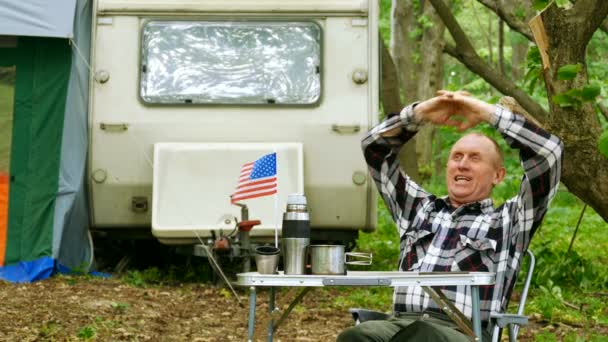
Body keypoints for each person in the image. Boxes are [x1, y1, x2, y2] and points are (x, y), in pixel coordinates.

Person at [337, 91, 563, 342]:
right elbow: (374, 147)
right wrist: (419, 114)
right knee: (357, 336)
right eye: (457, 157)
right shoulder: (418, 209)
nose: (462, 164)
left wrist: (485, 112)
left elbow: (549, 152)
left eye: (475, 158)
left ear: (497, 176)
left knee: (423, 337)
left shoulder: (510, 221)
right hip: (401, 324)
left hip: (464, 332)